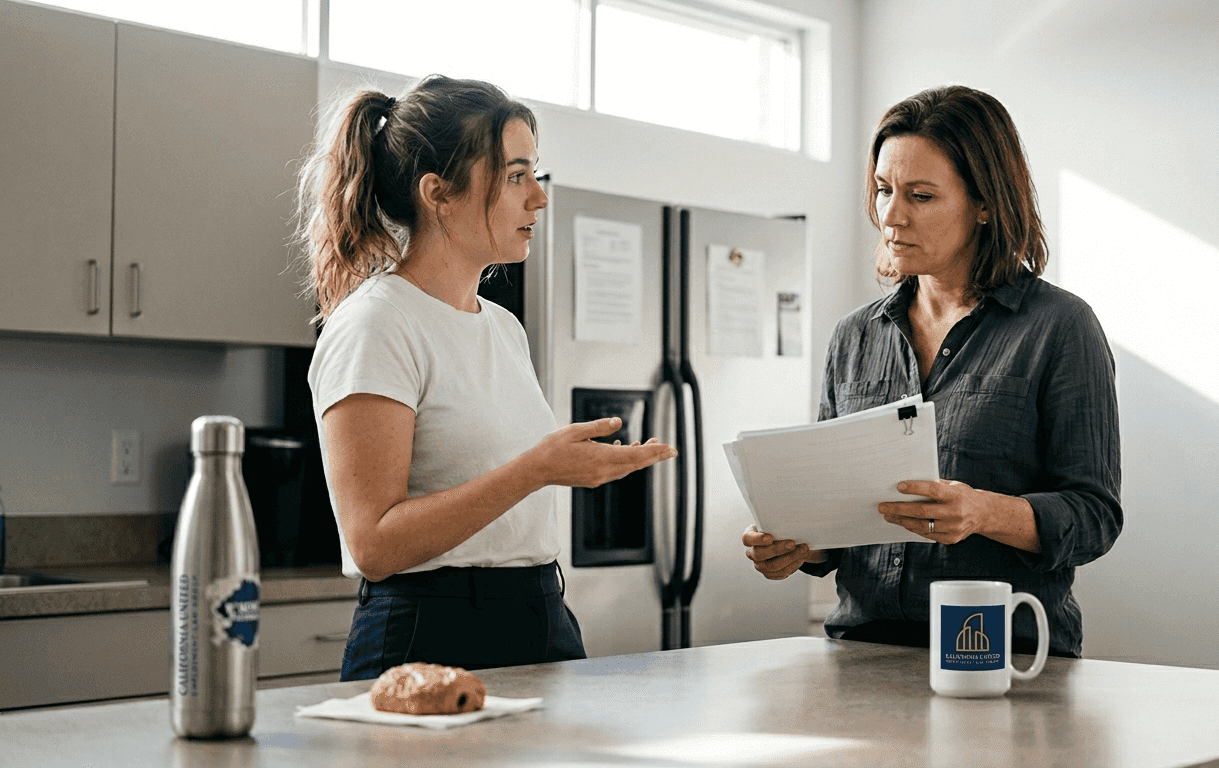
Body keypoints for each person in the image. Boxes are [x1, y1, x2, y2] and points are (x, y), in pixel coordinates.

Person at [296, 76, 676, 681]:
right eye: (517, 176)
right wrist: (537, 470)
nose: (539, 198)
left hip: (540, 615)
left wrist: (564, 467)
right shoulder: (376, 324)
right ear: (438, 194)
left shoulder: (503, 327)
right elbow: (374, 544)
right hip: (430, 632)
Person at [742, 85, 1121, 658]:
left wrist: (984, 511)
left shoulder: (1061, 328)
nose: (891, 217)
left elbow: (1094, 517)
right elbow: (836, 523)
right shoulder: (854, 336)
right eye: (883, 190)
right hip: (862, 656)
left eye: (920, 196)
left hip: (1002, 660)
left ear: (985, 204)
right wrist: (798, 547)